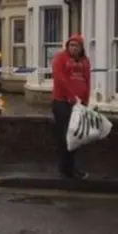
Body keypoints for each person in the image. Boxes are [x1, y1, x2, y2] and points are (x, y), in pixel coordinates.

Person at [51, 34, 90, 179]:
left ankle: (71, 167)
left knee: (76, 136)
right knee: (66, 136)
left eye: (77, 46)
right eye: (71, 45)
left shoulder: (85, 61)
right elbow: (59, 78)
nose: (74, 48)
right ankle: (67, 169)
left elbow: (87, 80)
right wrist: (70, 96)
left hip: (79, 104)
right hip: (62, 102)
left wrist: (85, 101)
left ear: (81, 48)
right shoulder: (60, 58)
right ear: (67, 46)